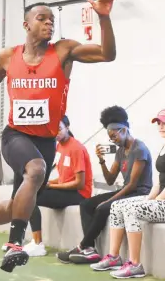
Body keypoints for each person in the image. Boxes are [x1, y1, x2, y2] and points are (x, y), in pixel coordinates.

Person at [0, 0, 116, 273]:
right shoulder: (9, 56)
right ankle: (14, 244)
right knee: (35, 171)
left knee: (18, 203)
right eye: (42, 18)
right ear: (26, 25)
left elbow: (107, 54)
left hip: (45, 141)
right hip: (15, 136)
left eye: (52, 20)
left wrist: (103, 17)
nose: (49, 24)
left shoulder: (63, 51)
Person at [91, 108, 165, 278]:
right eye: (159, 123)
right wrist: (148, 199)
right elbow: (160, 182)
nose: (161, 126)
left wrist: (156, 201)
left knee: (133, 210)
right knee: (117, 206)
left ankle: (135, 264)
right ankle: (114, 256)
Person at [56, 105, 153, 264]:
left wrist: (109, 201)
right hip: (126, 190)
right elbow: (110, 179)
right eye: (110, 137)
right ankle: (89, 249)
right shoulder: (121, 150)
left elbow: (133, 185)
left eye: (114, 136)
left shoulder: (139, 149)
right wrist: (101, 160)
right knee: (86, 204)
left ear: (123, 130)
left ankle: (83, 246)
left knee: (102, 208)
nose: (112, 140)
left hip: (139, 192)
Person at [21, 115, 93, 257]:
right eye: (53, 130)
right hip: (65, 189)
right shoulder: (59, 146)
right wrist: (48, 183)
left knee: (30, 198)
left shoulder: (76, 148)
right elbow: (64, 177)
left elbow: (79, 183)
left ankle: (38, 244)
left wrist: (52, 187)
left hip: (79, 194)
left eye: (59, 129)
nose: (56, 132)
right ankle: (35, 242)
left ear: (67, 127)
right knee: (28, 192)